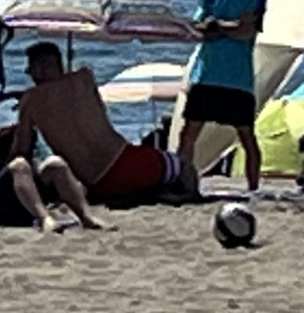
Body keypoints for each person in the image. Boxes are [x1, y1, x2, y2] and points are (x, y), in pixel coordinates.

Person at [11, 40, 182, 207]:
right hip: (129, 162)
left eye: (30, 69)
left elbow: (21, 149)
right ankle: (186, 194)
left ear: (38, 68)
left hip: (95, 185)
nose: (30, 75)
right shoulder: (85, 78)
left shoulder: (30, 101)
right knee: (179, 164)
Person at [176, 0, 268, 189]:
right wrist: (227, 26)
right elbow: (198, 26)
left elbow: (247, 31)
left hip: (237, 78)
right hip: (206, 74)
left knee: (246, 135)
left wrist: (219, 26)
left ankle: (253, 187)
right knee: (188, 132)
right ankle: (183, 182)